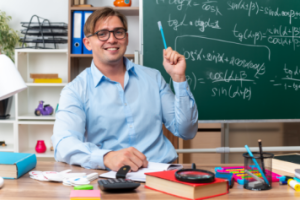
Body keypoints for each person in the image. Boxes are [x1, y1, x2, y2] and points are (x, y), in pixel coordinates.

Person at [51, 7, 198, 172]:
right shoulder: (75, 90)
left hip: (161, 174)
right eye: (102, 34)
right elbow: (63, 143)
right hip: (111, 177)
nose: (112, 39)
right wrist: (106, 157)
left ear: (126, 38)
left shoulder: (153, 78)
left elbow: (186, 131)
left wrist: (179, 78)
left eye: (118, 32)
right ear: (87, 43)